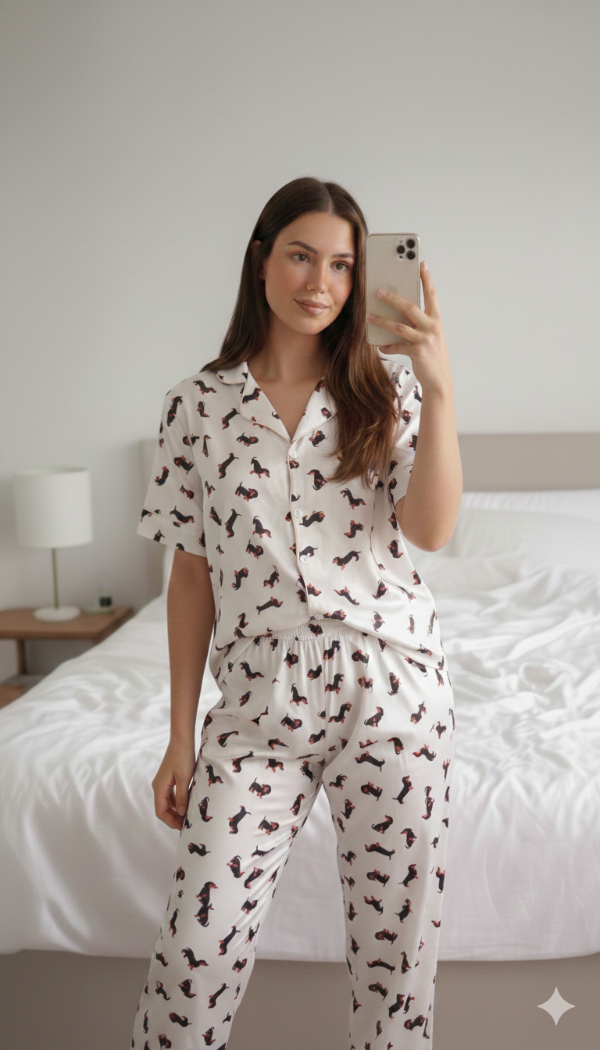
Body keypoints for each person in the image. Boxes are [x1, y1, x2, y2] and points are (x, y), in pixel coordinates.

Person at [130, 175, 462, 1050]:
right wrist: (179, 736)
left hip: (392, 689)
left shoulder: (386, 390)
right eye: (301, 257)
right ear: (261, 261)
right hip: (258, 698)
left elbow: (431, 531)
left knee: (396, 972)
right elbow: (191, 577)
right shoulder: (195, 406)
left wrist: (439, 389)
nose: (321, 282)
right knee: (193, 958)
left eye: (343, 265)